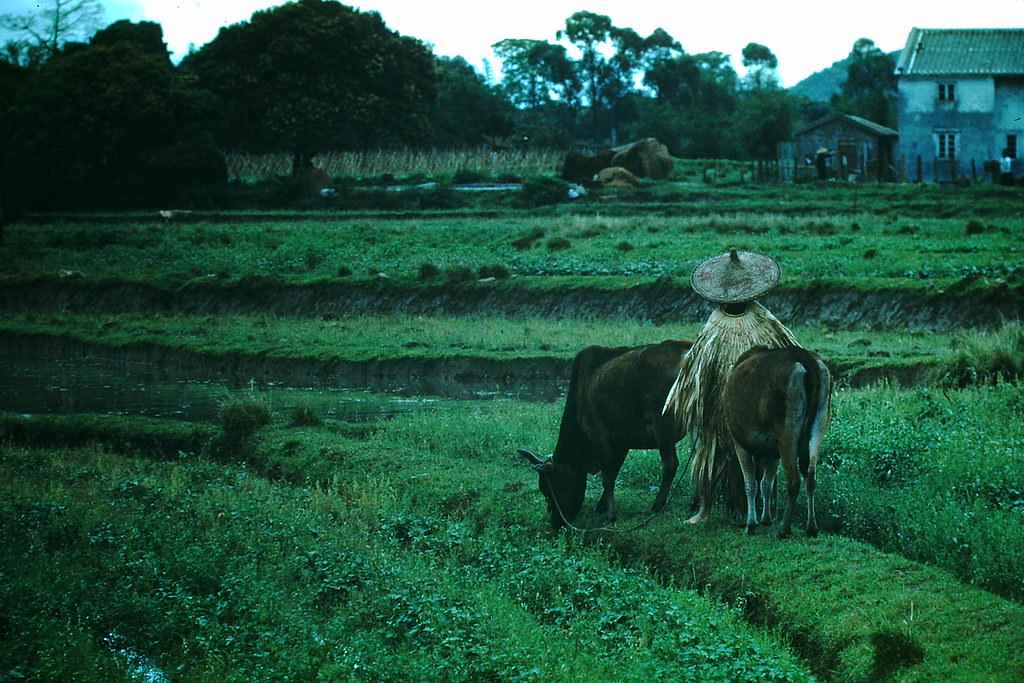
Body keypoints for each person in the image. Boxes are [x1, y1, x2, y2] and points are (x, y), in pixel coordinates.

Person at [663, 249, 801, 523]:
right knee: (711, 452)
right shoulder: (717, 324)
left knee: (760, 455)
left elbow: (787, 356)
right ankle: (707, 508)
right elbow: (697, 369)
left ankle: (759, 509)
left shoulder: (764, 322)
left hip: (756, 409)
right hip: (719, 407)